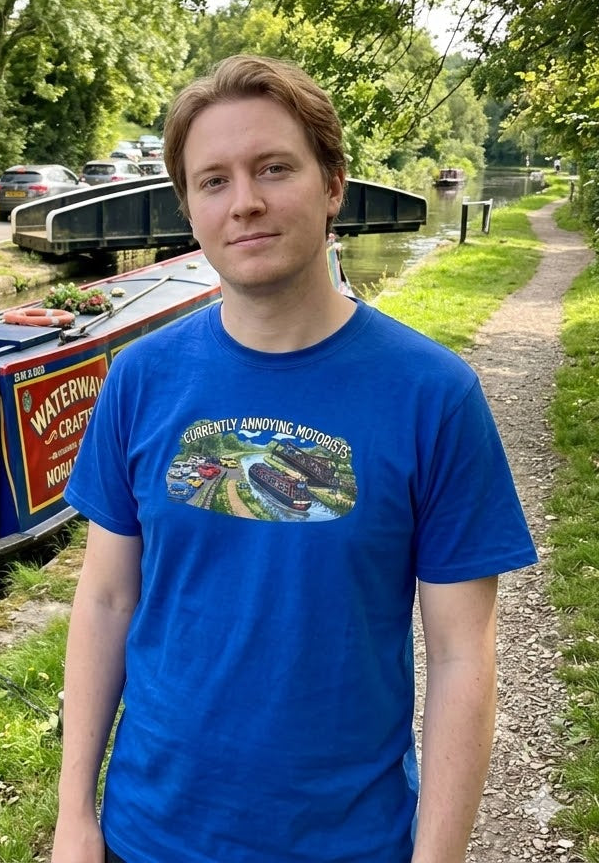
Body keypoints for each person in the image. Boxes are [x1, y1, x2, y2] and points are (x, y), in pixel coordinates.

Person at [52, 55, 537, 863]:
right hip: (147, 834)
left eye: (274, 168)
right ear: (190, 207)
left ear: (333, 184)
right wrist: (75, 813)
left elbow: (460, 656)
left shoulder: (433, 396)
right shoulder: (141, 377)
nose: (245, 202)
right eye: (214, 181)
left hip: (349, 843)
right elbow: (105, 600)